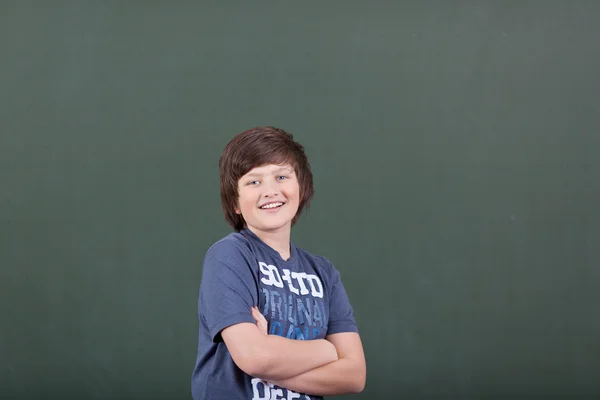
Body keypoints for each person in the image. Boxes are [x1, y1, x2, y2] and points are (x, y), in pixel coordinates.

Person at [191, 126, 366, 399]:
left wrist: (270, 348)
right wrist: (327, 350)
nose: (270, 191)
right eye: (253, 182)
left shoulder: (323, 273)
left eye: (282, 176)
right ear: (235, 202)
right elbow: (254, 358)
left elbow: (354, 376)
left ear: (301, 187)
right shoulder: (229, 256)